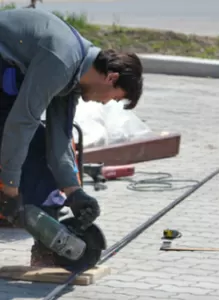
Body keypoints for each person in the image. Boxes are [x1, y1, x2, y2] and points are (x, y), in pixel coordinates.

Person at [0, 8, 143, 266]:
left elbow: (58, 139)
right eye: (114, 97)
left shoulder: (75, 74)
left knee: (38, 151)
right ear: (111, 77)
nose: (106, 102)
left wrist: (73, 191)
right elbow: (22, 123)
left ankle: (47, 251)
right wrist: (9, 190)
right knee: (20, 145)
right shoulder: (62, 60)